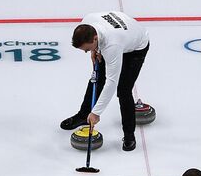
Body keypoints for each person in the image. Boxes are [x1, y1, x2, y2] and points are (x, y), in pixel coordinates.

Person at [60, 11, 149, 152]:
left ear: (95, 38)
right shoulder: (87, 20)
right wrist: (93, 50)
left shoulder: (112, 45)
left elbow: (111, 83)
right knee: (96, 78)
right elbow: (95, 46)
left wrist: (96, 113)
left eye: (87, 49)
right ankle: (83, 115)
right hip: (116, 37)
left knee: (123, 90)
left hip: (136, 48)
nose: (86, 52)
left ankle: (129, 135)